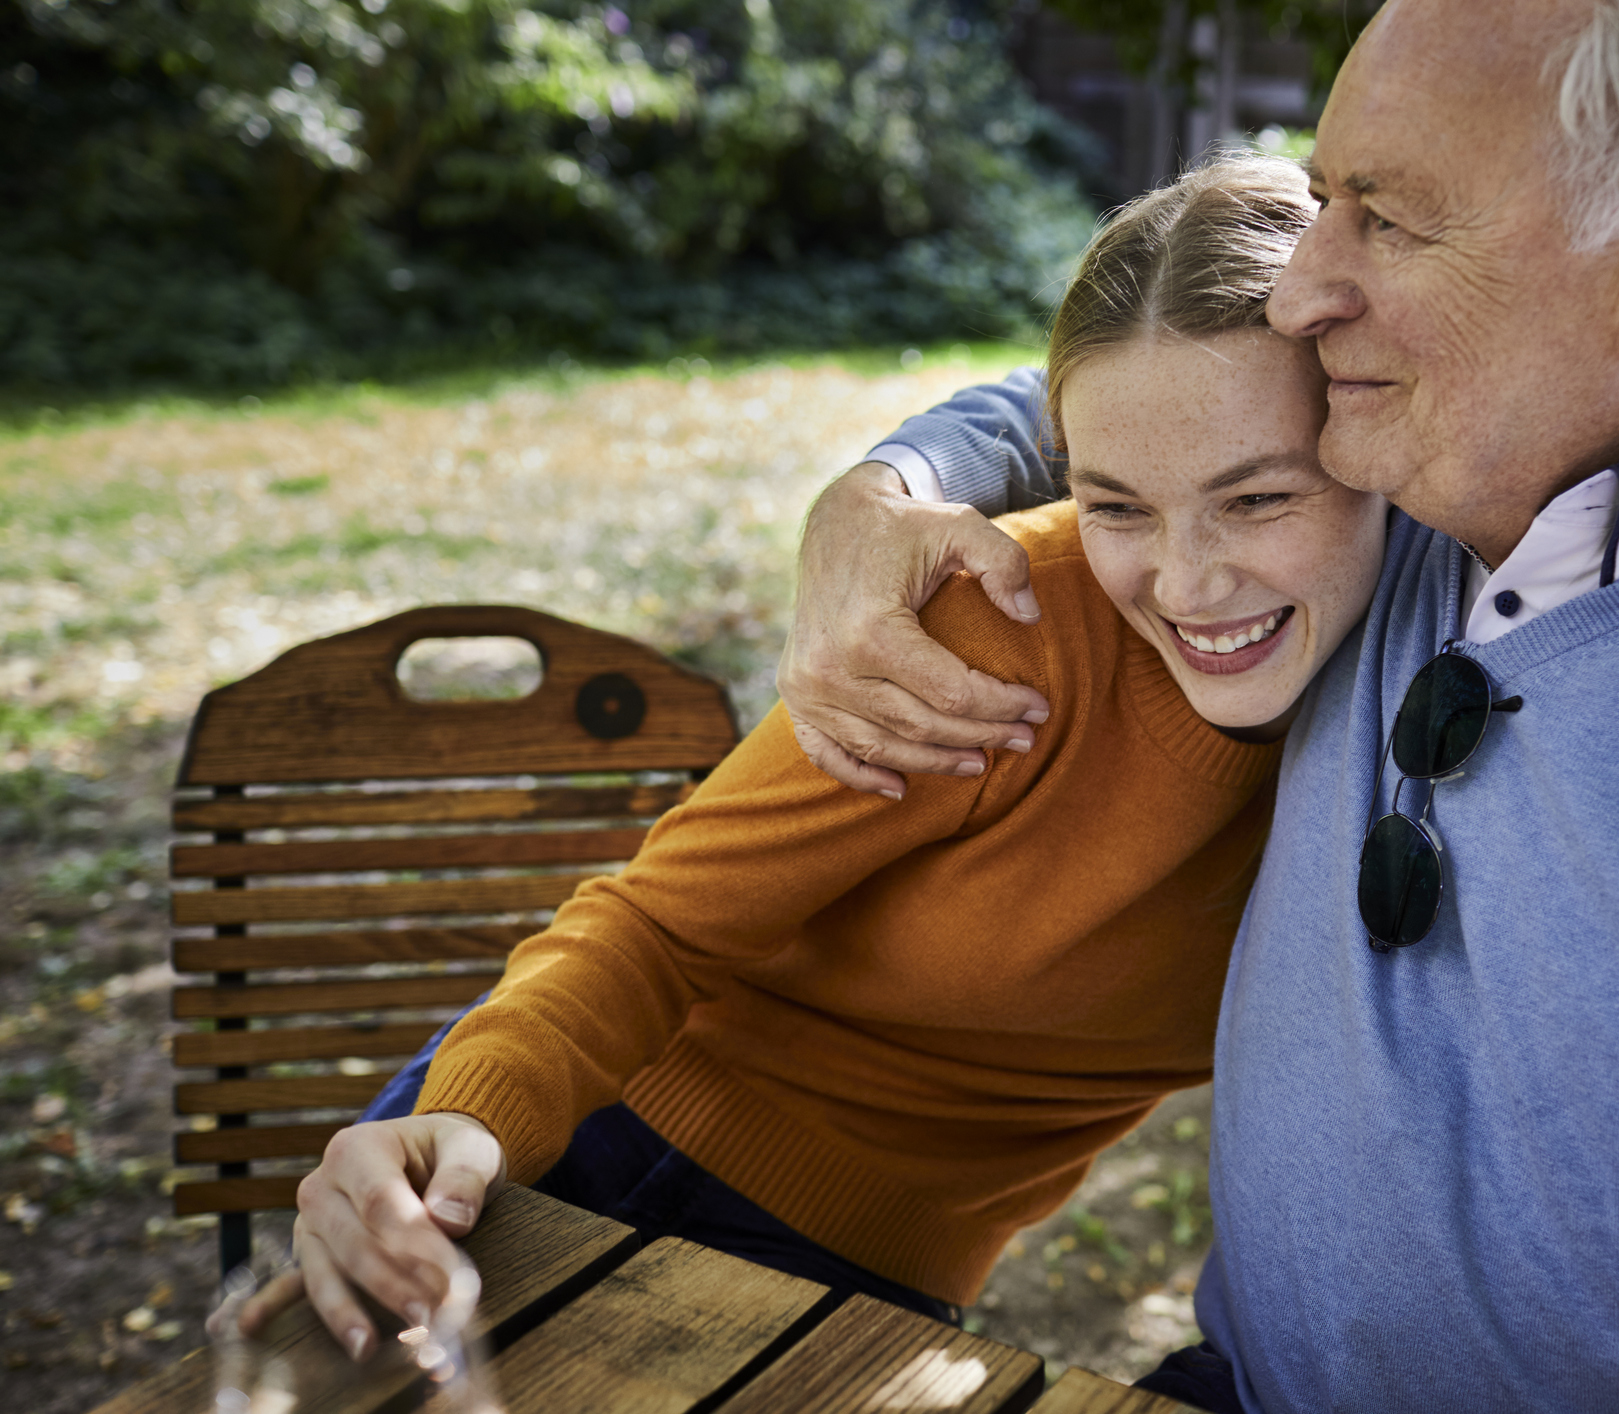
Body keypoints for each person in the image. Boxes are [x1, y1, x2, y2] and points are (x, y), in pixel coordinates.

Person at [772, 2, 1619, 1411]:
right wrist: (892, 484)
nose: (1301, 288)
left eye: (1384, 221)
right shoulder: (1386, 484)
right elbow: (1152, 397)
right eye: (1318, 198)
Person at [245, 154, 1388, 1411]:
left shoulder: (1428, 727)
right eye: (1118, 505)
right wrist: (471, 1115)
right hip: (566, 1143)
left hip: (854, 1284)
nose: (1185, 583)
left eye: (1260, 495)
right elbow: (656, 919)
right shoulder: (1001, 629)